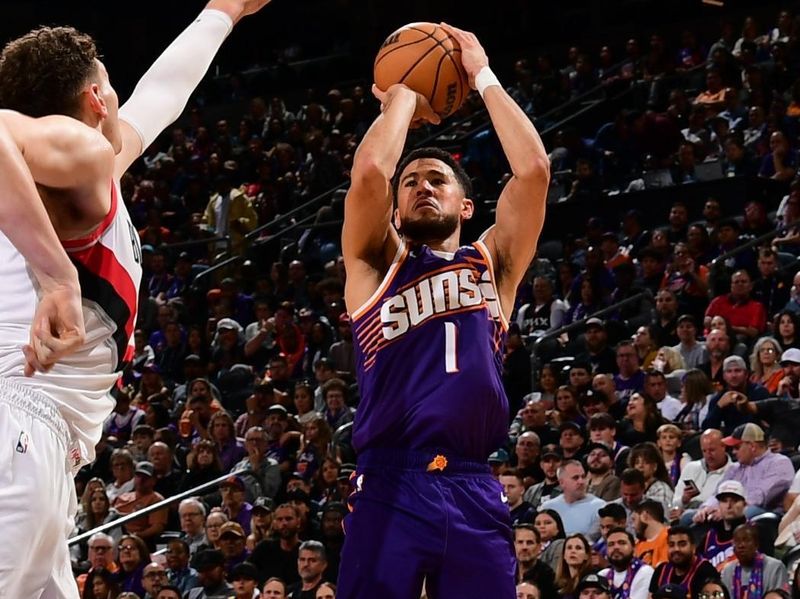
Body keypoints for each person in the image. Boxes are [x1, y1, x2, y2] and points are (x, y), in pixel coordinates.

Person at [0, 1, 274, 596]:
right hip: (17, 424)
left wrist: (222, 13)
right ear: (97, 101)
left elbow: (163, 94)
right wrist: (58, 277)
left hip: (41, 442)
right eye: (110, 84)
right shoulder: (85, 157)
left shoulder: (79, 169)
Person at [338, 22, 550, 598]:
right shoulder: (376, 263)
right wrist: (404, 94)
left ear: (467, 203)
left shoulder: (495, 263)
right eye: (410, 183)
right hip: (389, 479)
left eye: (437, 179)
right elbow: (369, 175)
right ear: (397, 209)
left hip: (473, 483)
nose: (421, 187)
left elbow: (533, 171)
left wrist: (481, 74)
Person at [649, 525, 718, 599]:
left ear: (693, 547)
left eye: (682, 544)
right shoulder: (661, 570)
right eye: (671, 545)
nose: (676, 549)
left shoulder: (706, 571)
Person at [720, 525, 789, 596]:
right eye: (737, 541)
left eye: (746, 540)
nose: (741, 545)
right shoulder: (728, 571)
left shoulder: (775, 567)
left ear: (756, 544)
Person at [599, 528, 655, 599]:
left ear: (634, 548)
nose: (616, 547)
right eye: (611, 544)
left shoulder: (644, 571)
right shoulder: (603, 575)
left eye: (622, 543)